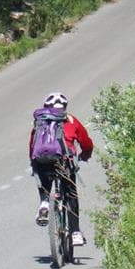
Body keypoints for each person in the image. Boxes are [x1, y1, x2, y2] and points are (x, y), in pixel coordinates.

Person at [29, 91, 93, 246]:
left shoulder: (40, 121)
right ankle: (75, 232)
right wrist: (85, 155)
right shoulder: (71, 120)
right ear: (65, 106)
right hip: (65, 161)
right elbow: (86, 142)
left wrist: (33, 162)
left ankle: (44, 202)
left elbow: (32, 144)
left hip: (42, 161)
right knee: (71, 193)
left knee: (44, 178)